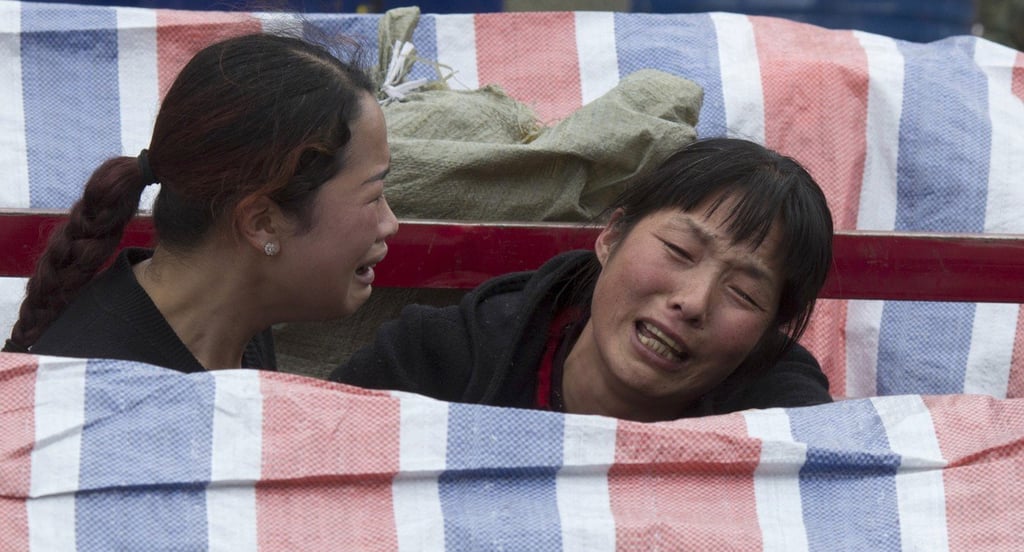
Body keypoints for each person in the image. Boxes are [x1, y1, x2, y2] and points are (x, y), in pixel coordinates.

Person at [331, 138, 833, 421]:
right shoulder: (438, 359)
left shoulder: (786, 424)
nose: (693, 302)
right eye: (680, 251)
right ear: (612, 236)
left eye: (744, 293)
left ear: (771, 331)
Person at [3, 33, 398, 372]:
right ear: (262, 223)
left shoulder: (237, 321)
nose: (390, 224)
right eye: (374, 195)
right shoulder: (111, 391)